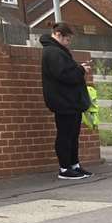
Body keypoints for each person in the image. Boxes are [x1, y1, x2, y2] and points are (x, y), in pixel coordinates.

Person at [40, 22, 93, 181]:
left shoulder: (58, 52)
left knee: (73, 135)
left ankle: (74, 165)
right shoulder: (53, 52)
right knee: (65, 135)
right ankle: (64, 168)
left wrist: (79, 69)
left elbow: (66, 71)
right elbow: (64, 75)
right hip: (63, 101)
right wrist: (81, 70)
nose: (69, 42)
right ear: (58, 35)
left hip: (69, 101)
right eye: (67, 39)